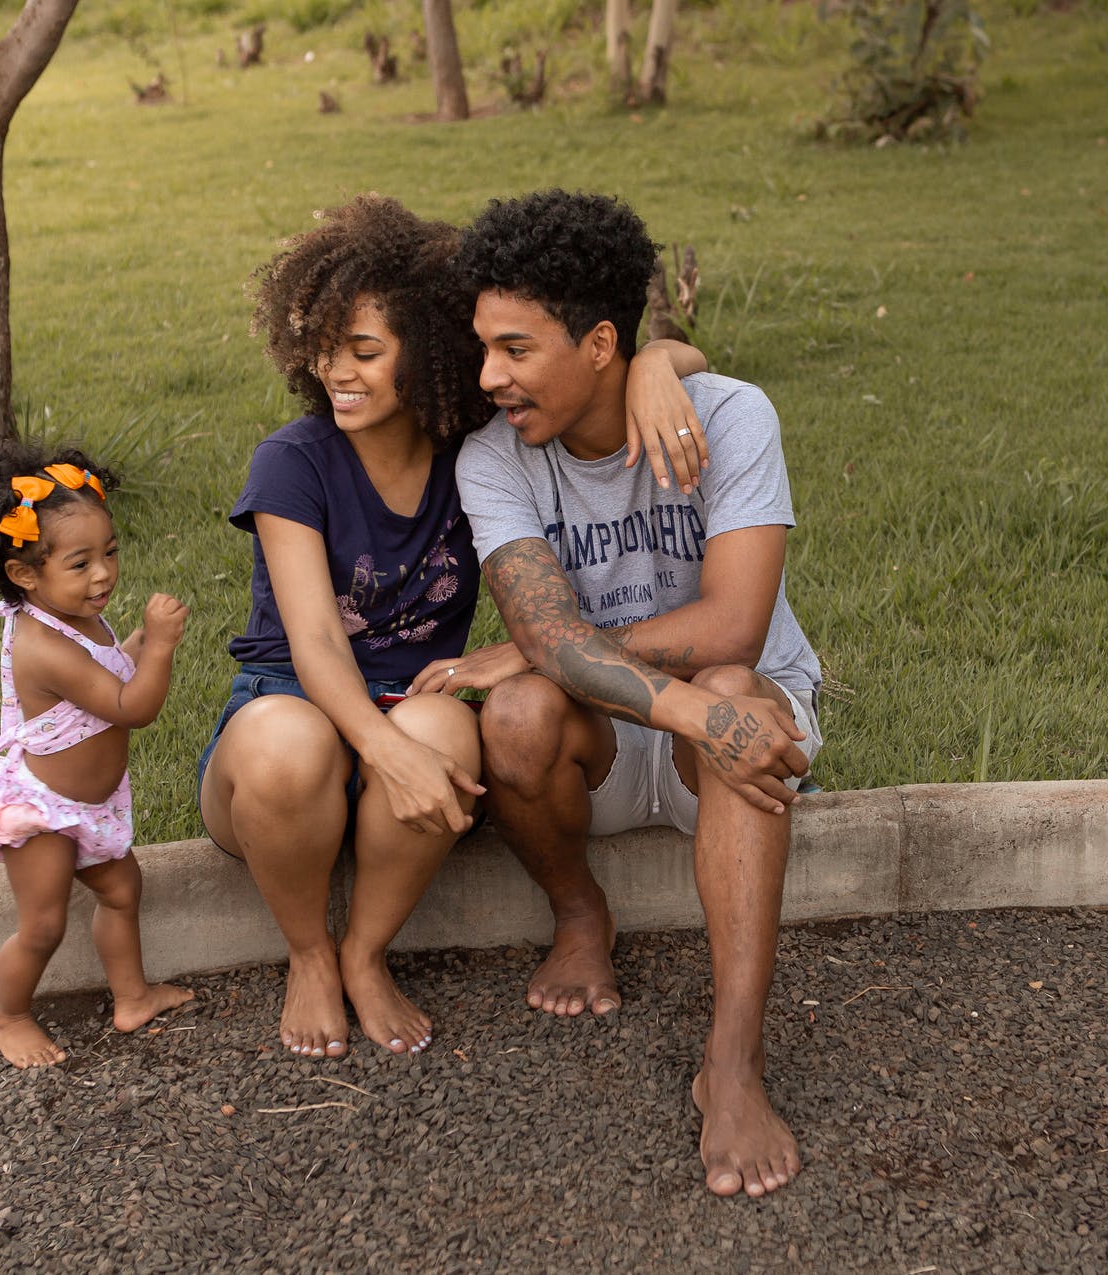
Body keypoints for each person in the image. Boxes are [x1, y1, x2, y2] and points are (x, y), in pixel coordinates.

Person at [198, 194, 709, 1061]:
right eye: (324, 348)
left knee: (439, 722)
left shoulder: (475, 448)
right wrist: (386, 751)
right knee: (295, 744)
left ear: (428, 351)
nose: (339, 372)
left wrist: (657, 357)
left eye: (365, 351)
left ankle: (365, 953)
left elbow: (609, 361)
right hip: (286, 715)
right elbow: (316, 644)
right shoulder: (292, 461)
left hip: (413, 703)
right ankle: (311, 953)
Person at [421, 189, 822, 1198]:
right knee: (512, 712)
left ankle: (730, 1061)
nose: (489, 377)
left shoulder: (729, 415)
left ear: (600, 344)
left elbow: (729, 627)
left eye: (514, 349)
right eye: (483, 348)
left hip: (724, 717)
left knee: (732, 682)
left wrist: (552, 647)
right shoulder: (491, 457)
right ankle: (578, 916)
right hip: (606, 732)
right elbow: (545, 642)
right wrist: (548, 658)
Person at [0, 443, 194, 1069]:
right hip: (44, 811)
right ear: (25, 575)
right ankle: (8, 1014)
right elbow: (131, 704)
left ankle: (132, 996)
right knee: (44, 925)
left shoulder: (80, 619)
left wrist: (138, 640)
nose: (104, 574)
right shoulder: (43, 645)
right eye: (81, 562)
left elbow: (114, 666)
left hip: (90, 806)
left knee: (121, 889)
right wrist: (160, 647)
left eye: (110, 552)